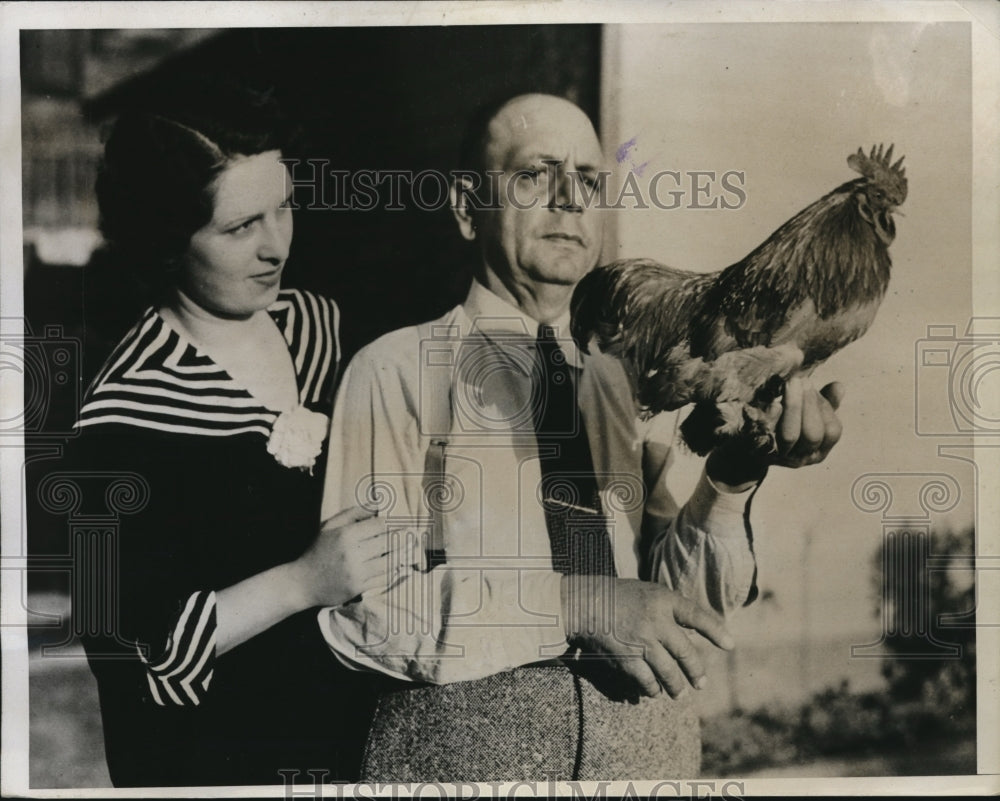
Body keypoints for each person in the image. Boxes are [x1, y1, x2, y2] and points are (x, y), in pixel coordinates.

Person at [318, 93, 844, 780]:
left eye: (589, 181)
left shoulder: (630, 389)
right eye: (536, 175)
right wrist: (580, 602)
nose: (570, 200)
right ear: (465, 206)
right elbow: (364, 616)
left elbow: (680, 607)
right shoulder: (394, 371)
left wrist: (732, 478)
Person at [67, 84, 400, 787]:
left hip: (357, 743)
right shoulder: (119, 424)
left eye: (283, 207)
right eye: (240, 225)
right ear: (166, 239)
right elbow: (134, 655)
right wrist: (304, 580)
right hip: (219, 760)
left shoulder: (323, 329)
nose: (276, 245)